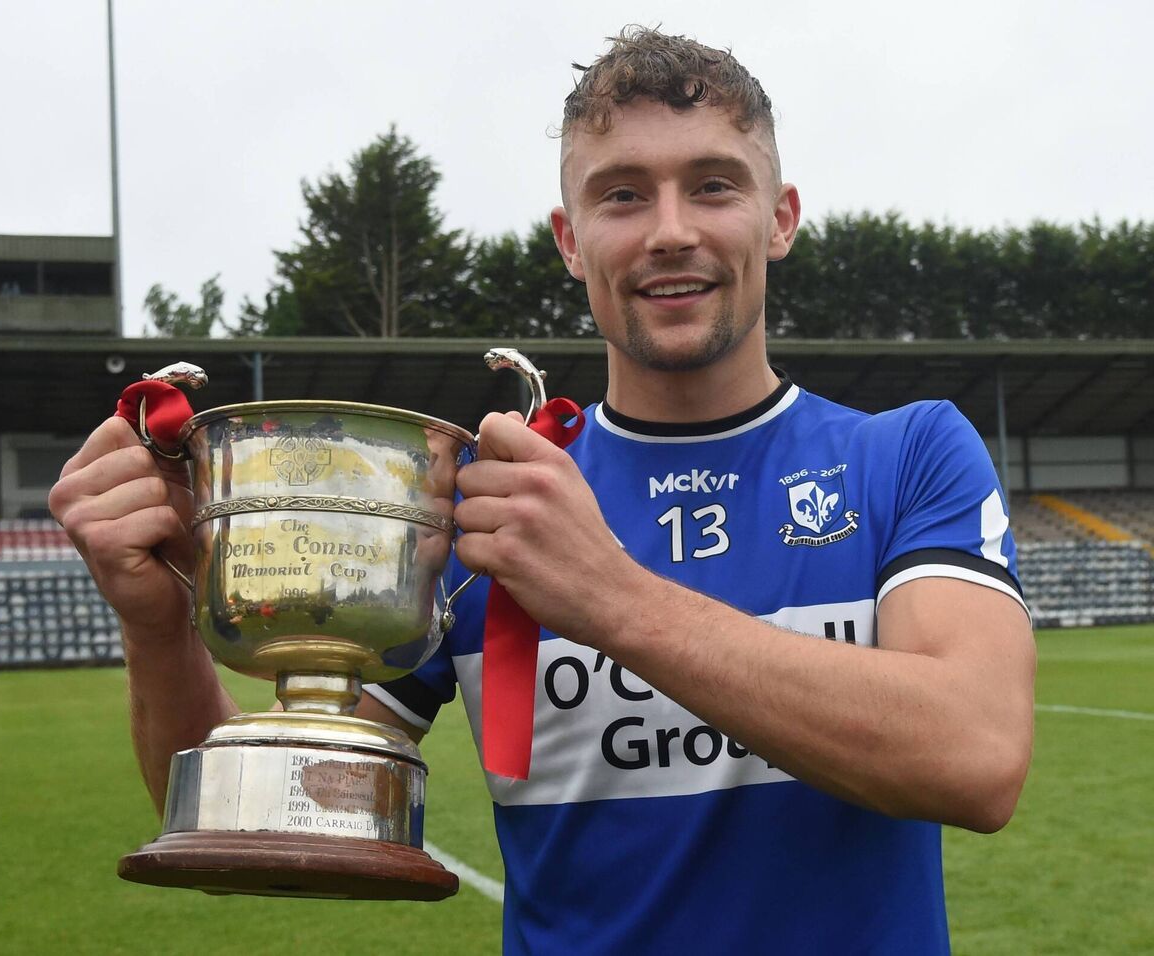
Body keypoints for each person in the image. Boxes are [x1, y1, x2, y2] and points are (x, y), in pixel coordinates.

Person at [51, 26, 1034, 955]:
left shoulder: (909, 456)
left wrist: (611, 596)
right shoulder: (478, 507)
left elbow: (976, 752)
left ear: (779, 219)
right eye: (622, 196)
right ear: (569, 238)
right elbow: (262, 828)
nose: (671, 231)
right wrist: (158, 627)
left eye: (714, 185)